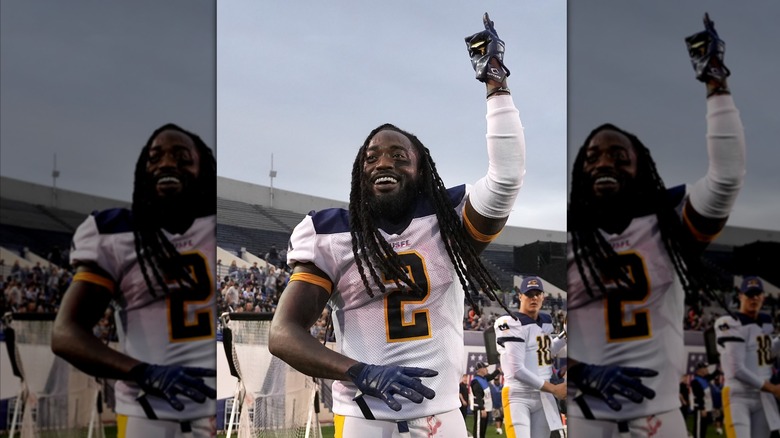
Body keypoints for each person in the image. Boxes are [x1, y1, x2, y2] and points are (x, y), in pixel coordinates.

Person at [268, 12, 525, 438]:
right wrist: (359, 371)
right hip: (363, 421)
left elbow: (507, 178)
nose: (384, 162)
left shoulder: (446, 221)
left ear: (421, 171)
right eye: (371, 157)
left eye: (399, 156)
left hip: (442, 419)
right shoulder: (331, 234)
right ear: (359, 173)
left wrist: (496, 84)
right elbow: (282, 333)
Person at [566, 13, 746, 437]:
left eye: (618, 155)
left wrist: (716, 84)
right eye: (592, 156)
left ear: (641, 168)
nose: (604, 162)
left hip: (657, 412)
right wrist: (580, 373)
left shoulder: (668, 225)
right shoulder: (569, 236)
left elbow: (726, 178)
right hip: (582, 412)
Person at [51, 124, 217, 437]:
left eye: (182, 157)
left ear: (203, 170)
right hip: (150, 414)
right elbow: (65, 333)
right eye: (155, 157)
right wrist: (143, 372)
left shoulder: (214, 227)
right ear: (144, 171)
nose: (167, 163)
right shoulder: (117, 234)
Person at [493, 276, 567, 437]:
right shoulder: (510, 322)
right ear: (520, 296)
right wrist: (554, 389)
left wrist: (565, 336)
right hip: (518, 396)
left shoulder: (546, 321)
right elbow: (517, 370)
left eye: (537, 294)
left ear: (543, 297)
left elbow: (544, 353)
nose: (533, 298)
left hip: (543, 396)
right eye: (529, 294)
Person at [714, 276, 780, 437]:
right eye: (750, 294)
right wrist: (773, 388)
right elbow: (737, 369)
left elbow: (765, 353)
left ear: (763, 297)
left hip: (763, 397)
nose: (754, 298)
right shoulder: (729, 321)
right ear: (741, 296)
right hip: (738, 395)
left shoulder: (765, 320)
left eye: (758, 294)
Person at [470, 362, 501, 438]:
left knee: (483, 430)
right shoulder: (476, 381)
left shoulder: (483, 378)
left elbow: (492, 376)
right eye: (485, 368)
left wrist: (498, 370)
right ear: (480, 369)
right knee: (478, 430)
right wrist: (482, 408)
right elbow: (478, 396)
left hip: (485, 408)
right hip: (480, 409)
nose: (487, 369)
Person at [690, 362, 715, 438]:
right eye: (705, 368)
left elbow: (712, 375)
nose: (707, 369)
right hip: (700, 409)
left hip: (706, 408)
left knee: (703, 429)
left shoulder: (704, 379)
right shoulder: (696, 381)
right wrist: (702, 408)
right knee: (699, 429)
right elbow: (698, 396)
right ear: (700, 370)